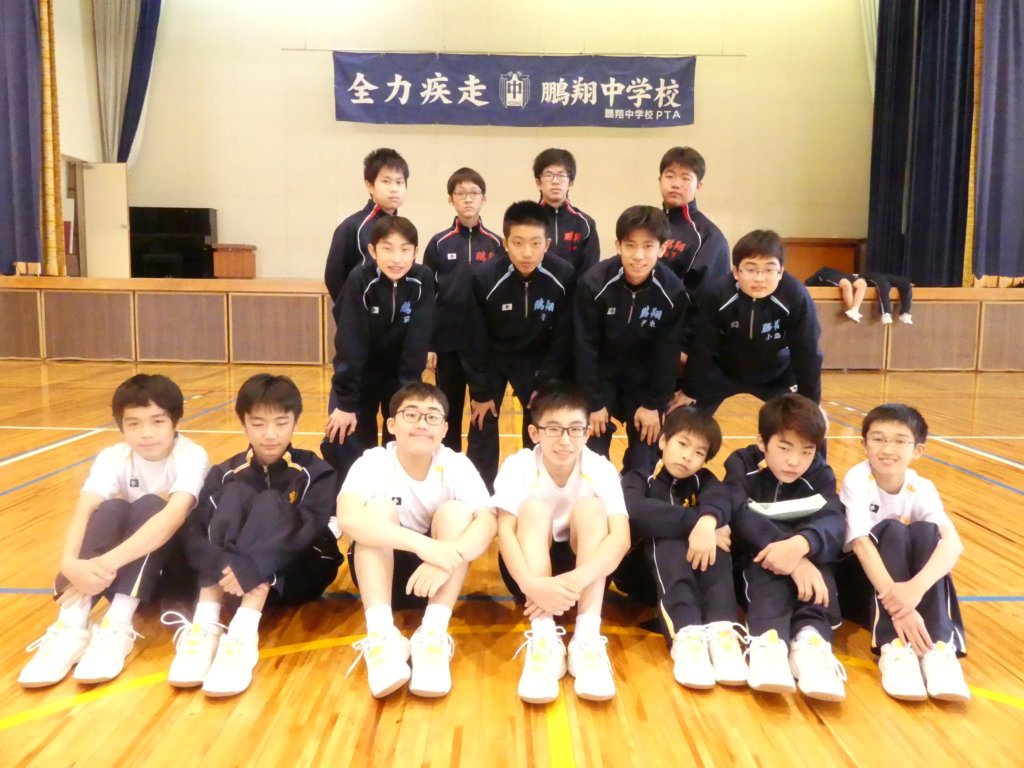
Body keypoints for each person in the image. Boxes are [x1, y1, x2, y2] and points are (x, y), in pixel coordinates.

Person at [19, 374, 210, 688]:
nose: (146, 433)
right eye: (133, 423)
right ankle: (71, 624)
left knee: (152, 504)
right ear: (120, 425)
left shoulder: (192, 455)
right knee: (109, 508)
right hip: (122, 570)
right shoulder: (113, 456)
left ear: (176, 421)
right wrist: (69, 563)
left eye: (157, 421)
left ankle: (118, 624)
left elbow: (173, 517)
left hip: (173, 572)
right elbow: (84, 509)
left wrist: (102, 565)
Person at [164, 374, 342, 697]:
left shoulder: (316, 471)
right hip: (231, 580)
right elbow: (194, 532)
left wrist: (254, 567)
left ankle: (243, 633)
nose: (270, 434)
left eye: (281, 423)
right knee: (234, 494)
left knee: (270, 502)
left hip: (301, 574)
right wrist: (226, 565)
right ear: (243, 423)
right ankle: (205, 625)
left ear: (296, 422)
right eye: (258, 424)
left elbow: (308, 531)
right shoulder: (225, 473)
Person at [336, 382, 496, 699]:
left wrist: (447, 556)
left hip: (439, 581)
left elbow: (488, 522)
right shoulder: (373, 461)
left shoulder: (456, 464)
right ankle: (381, 635)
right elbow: (348, 518)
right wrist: (426, 547)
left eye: (432, 416)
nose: (422, 423)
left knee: (455, 512)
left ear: (445, 429)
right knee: (378, 509)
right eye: (411, 414)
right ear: (391, 424)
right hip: (383, 576)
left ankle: (433, 635)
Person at [494, 385, 630, 704]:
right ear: (535, 433)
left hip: (586, 572)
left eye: (575, 429)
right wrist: (531, 585)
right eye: (553, 429)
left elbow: (621, 537)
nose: (565, 440)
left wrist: (575, 580)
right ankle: (543, 636)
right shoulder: (518, 465)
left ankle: (586, 637)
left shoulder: (600, 467)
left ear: (587, 432)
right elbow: (505, 532)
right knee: (533, 509)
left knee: (592, 509)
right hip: (528, 572)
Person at [710, 394, 847, 701]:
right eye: (784, 448)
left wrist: (801, 545)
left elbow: (834, 518)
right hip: (756, 561)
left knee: (819, 567)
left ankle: (812, 643)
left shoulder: (820, 474)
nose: (794, 461)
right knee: (767, 563)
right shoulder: (741, 465)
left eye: (806, 451)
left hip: (803, 558)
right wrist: (789, 554)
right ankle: (768, 644)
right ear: (762, 442)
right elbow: (738, 513)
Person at [837, 403, 969, 701]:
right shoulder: (857, 479)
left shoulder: (922, 487)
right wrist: (901, 607)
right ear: (864, 445)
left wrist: (914, 590)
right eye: (878, 439)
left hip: (905, 594)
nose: (888, 449)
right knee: (893, 530)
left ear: (918, 450)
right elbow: (860, 544)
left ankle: (938, 648)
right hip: (863, 587)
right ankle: (893, 646)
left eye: (900, 441)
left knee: (927, 533)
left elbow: (953, 544)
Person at [615, 407, 747, 688]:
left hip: (691, 575)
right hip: (639, 574)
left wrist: (709, 523)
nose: (688, 456)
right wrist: (696, 523)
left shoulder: (705, 481)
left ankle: (722, 631)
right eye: (682, 444)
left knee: (717, 539)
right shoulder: (640, 476)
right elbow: (636, 511)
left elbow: (721, 500)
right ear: (663, 441)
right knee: (669, 538)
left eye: (699, 453)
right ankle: (686, 635)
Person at [463, 200, 575, 490]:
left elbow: (563, 335)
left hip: (537, 360)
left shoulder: (563, 275)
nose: (527, 253)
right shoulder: (484, 277)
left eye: (535, 243)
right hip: (494, 357)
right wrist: (480, 391)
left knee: (539, 425)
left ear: (547, 244)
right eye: (518, 243)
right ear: (505, 243)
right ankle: (478, 494)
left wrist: (546, 380)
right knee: (482, 422)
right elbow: (474, 336)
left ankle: (535, 490)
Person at [574, 205, 688, 473]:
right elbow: (584, 346)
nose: (638, 256)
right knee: (592, 456)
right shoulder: (593, 283)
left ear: (662, 248)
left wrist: (652, 404)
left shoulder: (673, 292)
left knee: (644, 457)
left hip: (643, 379)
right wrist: (594, 402)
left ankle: (635, 493)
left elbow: (667, 353)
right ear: (618, 245)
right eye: (630, 245)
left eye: (648, 246)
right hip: (601, 376)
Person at [322, 216, 435, 485]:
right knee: (342, 437)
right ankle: (350, 497)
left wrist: (407, 399)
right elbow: (350, 341)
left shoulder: (422, 279)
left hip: (400, 375)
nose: (396, 258)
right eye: (387, 248)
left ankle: (396, 495)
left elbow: (417, 341)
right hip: (361, 375)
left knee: (403, 440)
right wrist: (346, 402)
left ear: (416, 252)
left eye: (405, 249)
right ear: (373, 251)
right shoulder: (360, 279)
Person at [682, 230, 823, 415]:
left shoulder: (796, 295)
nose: (759, 278)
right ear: (736, 272)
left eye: (769, 270)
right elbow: (702, 348)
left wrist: (812, 402)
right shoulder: (717, 294)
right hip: (723, 371)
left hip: (776, 375)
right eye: (750, 269)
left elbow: (808, 352)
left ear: (780, 272)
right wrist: (690, 391)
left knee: (805, 423)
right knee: (684, 416)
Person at [423, 167, 505, 452]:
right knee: (447, 414)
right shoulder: (438, 243)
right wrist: (430, 344)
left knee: (484, 416)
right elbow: (428, 297)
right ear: (451, 199)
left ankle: (481, 475)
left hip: (485, 348)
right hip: (448, 345)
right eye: (461, 193)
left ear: (484, 199)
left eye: (474, 193)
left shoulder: (497, 244)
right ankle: (448, 469)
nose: (468, 199)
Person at [324, 147, 409, 303]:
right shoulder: (353, 226)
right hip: (363, 313)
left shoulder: (405, 229)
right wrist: (351, 311)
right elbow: (333, 277)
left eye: (399, 182)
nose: (394, 189)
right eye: (386, 181)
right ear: (370, 185)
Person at [657, 146, 730, 296]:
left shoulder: (709, 235)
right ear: (660, 181)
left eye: (685, 178)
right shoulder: (648, 225)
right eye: (669, 176)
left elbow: (710, 295)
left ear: (698, 186)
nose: (676, 184)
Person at [533, 148, 599, 275]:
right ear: (538, 183)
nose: (555, 181)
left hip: (574, 288)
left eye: (561, 175)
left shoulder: (585, 224)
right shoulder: (525, 220)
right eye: (548, 175)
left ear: (571, 183)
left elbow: (590, 272)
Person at [805, 267, 914, 325]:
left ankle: (854, 310)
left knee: (862, 284)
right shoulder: (824, 274)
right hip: (829, 274)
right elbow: (808, 284)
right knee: (847, 285)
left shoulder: (860, 278)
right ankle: (852, 310)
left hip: (845, 274)